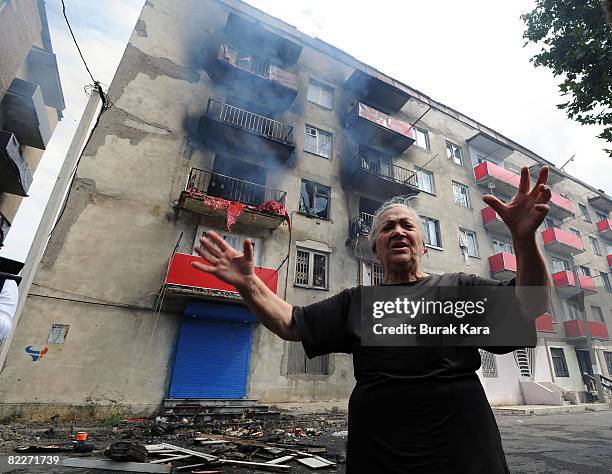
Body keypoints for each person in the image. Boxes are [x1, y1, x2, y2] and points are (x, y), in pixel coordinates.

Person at [192, 166, 551, 473]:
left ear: (423, 245)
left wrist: (524, 239)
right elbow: (291, 323)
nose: (397, 231)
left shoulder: (458, 288)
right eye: (387, 228)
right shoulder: (359, 303)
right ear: (376, 247)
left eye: (407, 226)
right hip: (380, 456)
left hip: (464, 455)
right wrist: (249, 283)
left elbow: (530, 305)